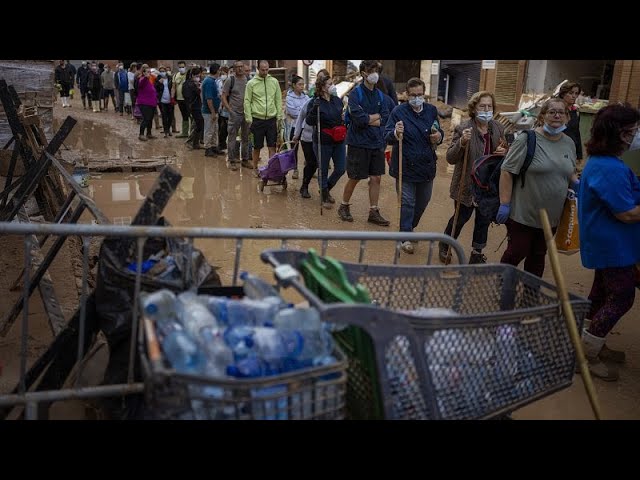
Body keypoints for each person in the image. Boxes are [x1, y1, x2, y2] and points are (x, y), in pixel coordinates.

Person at [577, 103, 640, 381]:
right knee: (623, 296)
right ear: (619, 134)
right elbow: (626, 214)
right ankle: (586, 354)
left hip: (606, 242)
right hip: (613, 245)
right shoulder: (609, 168)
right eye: (633, 131)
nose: (636, 136)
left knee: (601, 294)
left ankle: (590, 342)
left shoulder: (603, 162)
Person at [496, 98, 579, 277]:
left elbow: (570, 170)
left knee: (538, 256)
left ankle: (530, 295)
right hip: (523, 213)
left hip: (552, 217)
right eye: (552, 112)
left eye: (561, 112)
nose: (557, 115)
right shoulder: (527, 139)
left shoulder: (569, 143)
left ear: (567, 117)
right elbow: (506, 171)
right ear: (542, 116)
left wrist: (577, 183)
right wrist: (505, 203)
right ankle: (504, 286)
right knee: (517, 251)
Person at [440, 91, 507, 264]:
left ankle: (477, 252)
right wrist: (462, 142)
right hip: (467, 183)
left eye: (489, 106)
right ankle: (445, 244)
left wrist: (505, 151)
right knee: (461, 217)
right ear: (474, 109)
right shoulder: (464, 128)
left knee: (484, 219)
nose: (486, 109)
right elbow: (450, 158)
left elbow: (508, 153)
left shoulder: (498, 128)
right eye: (482, 106)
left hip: (489, 184)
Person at [384, 77, 443, 254]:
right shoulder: (398, 112)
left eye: (420, 95)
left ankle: (409, 227)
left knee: (423, 201)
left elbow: (438, 131)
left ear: (424, 94)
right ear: (407, 95)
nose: (417, 98)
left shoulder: (432, 111)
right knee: (407, 202)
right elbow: (386, 135)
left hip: (426, 166)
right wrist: (395, 132)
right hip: (405, 165)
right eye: (413, 95)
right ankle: (405, 236)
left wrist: (438, 136)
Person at [338, 60, 390, 225]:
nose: (374, 73)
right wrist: (375, 117)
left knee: (376, 178)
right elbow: (359, 120)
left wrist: (369, 118)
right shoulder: (355, 94)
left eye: (376, 70)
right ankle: (344, 206)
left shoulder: (381, 95)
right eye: (370, 70)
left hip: (376, 142)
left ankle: (373, 211)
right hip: (358, 143)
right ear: (363, 74)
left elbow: (386, 117)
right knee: (355, 177)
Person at [305, 75, 347, 209]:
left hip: (339, 140)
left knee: (341, 168)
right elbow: (309, 121)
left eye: (332, 82)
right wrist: (314, 109)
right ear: (322, 87)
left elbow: (342, 116)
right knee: (323, 170)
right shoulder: (315, 102)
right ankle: (324, 195)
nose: (333, 85)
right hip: (323, 141)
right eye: (330, 84)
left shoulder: (337, 100)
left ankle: (326, 188)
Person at [244, 60, 283, 177]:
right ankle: (255, 168)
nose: (265, 72)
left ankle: (271, 169)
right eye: (263, 70)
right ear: (258, 69)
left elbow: (278, 99)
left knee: (272, 146)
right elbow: (247, 101)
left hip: (271, 120)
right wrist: (249, 118)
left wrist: (279, 116)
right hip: (257, 119)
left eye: (267, 70)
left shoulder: (274, 82)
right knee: (257, 147)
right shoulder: (251, 83)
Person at [222, 60, 250, 171]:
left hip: (246, 113)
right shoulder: (230, 80)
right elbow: (223, 96)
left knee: (246, 137)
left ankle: (245, 159)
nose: (240, 69)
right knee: (232, 137)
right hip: (235, 114)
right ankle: (232, 160)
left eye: (241, 66)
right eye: (237, 67)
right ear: (234, 69)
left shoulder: (248, 80)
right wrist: (230, 110)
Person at [285, 75, 309, 179]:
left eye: (303, 84)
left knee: (308, 149)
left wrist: (300, 111)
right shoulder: (289, 97)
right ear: (294, 85)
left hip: (306, 127)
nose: (302, 86)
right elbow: (292, 112)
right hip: (294, 127)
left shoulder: (306, 97)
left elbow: (309, 111)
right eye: (299, 84)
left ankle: (309, 168)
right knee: (294, 149)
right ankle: (295, 169)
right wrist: (302, 112)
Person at [556, 81, 583, 163]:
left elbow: (576, 133)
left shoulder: (575, 112)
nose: (574, 96)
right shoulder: (556, 111)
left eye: (576, 93)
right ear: (563, 94)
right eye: (571, 93)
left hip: (571, 149)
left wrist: (579, 155)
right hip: (557, 149)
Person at [201, 63, 221, 157]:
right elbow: (209, 99)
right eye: (219, 70)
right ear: (217, 71)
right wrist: (212, 112)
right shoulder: (209, 82)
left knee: (214, 130)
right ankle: (208, 148)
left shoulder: (212, 81)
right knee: (209, 130)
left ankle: (213, 146)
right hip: (209, 112)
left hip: (214, 111)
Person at [136, 66, 158, 141]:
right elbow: (141, 84)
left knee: (150, 119)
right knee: (146, 119)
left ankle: (149, 133)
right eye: (147, 72)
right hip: (144, 103)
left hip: (151, 103)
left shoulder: (149, 80)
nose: (149, 73)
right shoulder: (143, 79)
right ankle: (141, 134)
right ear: (143, 72)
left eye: (150, 72)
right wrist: (145, 77)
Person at [172, 61, 190, 138]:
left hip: (188, 99)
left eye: (183, 67)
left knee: (191, 116)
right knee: (184, 116)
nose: (181, 68)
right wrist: (172, 97)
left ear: (185, 67)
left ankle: (193, 133)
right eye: (180, 67)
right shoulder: (175, 75)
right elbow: (173, 87)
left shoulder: (188, 75)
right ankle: (185, 132)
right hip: (179, 99)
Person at [155, 66, 174, 138]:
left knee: (170, 116)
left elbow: (173, 87)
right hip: (162, 101)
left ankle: (169, 129)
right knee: (164, 116)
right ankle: (165, 131)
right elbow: (155, 88)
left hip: (170, 100)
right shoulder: (158, 79)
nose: (162, 72)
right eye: (161, 71)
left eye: (163, 71)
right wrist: (159, 83)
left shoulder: (170, 78)